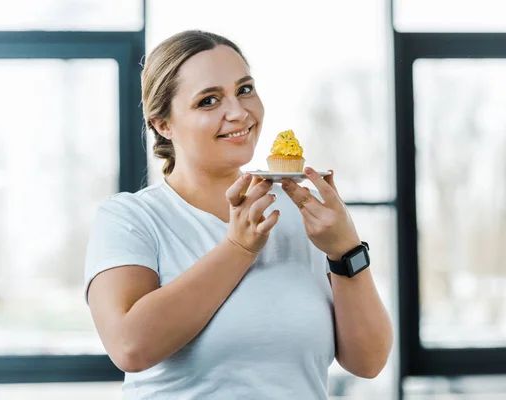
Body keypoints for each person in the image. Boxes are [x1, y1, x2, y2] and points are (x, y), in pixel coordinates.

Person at [84, 30, 393, 399]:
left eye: (244, 89)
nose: (238, 112)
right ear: (162, 124)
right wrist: (237, 247)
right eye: (209, 101)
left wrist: (345, 252)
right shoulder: (132, 218)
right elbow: (130, 347)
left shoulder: (302, 213)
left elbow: (369, 361)